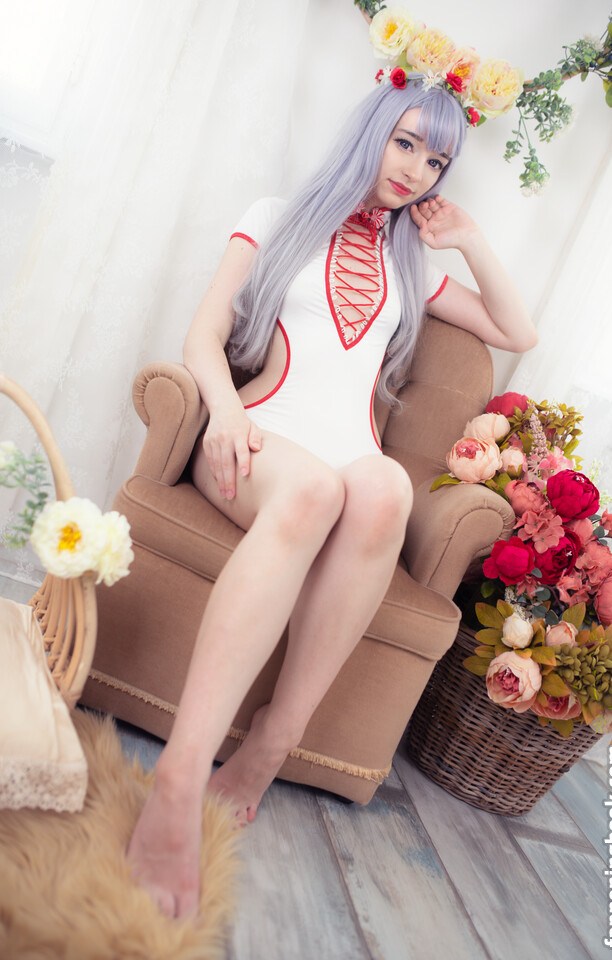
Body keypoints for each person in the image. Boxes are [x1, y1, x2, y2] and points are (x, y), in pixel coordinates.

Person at [126, 76, 538, 919]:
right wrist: (224, 413)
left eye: (437, 161)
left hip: (349, 455)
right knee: (312, 491)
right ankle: (178, 779)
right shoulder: (277, 217)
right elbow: (205, 334)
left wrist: (467, 239)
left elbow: (518, 332)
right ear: (372, 132)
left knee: (384, 487)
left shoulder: (411, 266)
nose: (417, 169)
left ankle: (273, 741)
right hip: (259, 437)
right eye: (406, 143)